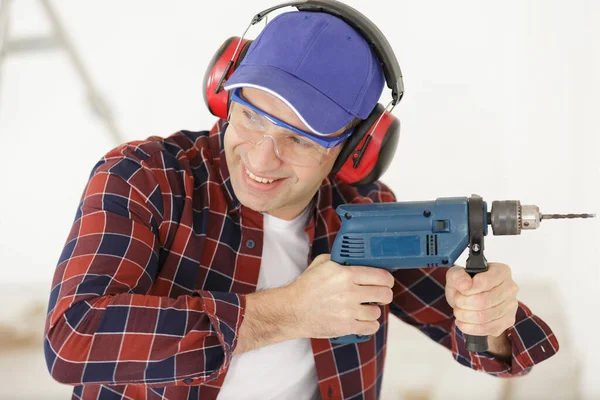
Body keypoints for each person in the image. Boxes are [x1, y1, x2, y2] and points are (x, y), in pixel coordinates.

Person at [43, 2, 558, 399]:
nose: (262, 159)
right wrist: (287, 313)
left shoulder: (365, 216)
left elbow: (498, 351)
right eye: (250, 116)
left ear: (354, 150)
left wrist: (489, 321)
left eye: (301, 139)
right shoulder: (144, 179)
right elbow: (73, 339)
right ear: (223, 92)